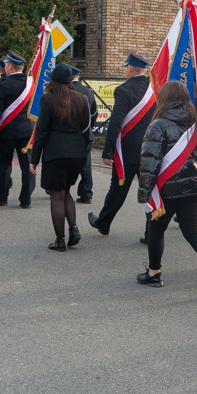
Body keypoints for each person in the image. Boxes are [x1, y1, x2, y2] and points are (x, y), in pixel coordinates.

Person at [136, 80, 197, 297]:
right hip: (195, 186)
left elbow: (150, 163)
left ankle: (154, 273)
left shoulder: (157, 125)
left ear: (164, 97)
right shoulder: (195, 123)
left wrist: (144, 194)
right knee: (193, 231)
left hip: (168, 188)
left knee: (156, 229)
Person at [89, 53, 155, 236]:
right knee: (149, 191)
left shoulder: (123, 90)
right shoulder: (154, 89)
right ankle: (152, 233)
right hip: (150, 150)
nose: (126, 70)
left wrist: (108, 151)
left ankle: (103, 223)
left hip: (127, 151)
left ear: (132, 68)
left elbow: (116, 122)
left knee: (118, 189)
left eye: (126, 67)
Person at [29, 64, 92, 251]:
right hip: (77, 152)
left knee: (56, 196)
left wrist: (34, 158)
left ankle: (60, 240)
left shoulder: (48, 99)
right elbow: (86, 129)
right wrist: (83, 150)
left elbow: (41, 131)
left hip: (55, 153)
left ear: (53, 81)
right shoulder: (82, 98)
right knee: (67, 191)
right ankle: (74, 229)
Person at [0, 50, 35, 208]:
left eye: (6, 64)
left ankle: (1, 197)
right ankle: (26, 199)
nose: (5, 67)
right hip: (26, 131)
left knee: (2, 164)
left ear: (11, 67)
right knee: (27, 165)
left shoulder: (3, 85)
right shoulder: (31, 84)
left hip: (7, 131)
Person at [70, 65, 98, 205]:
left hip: (69, 134)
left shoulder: (66, 90)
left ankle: (58, 189)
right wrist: (89, 128)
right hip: (85, 133)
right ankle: (86, 193)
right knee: (85, 165)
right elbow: (94, 113)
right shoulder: (88, 91)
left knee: (64, 163)